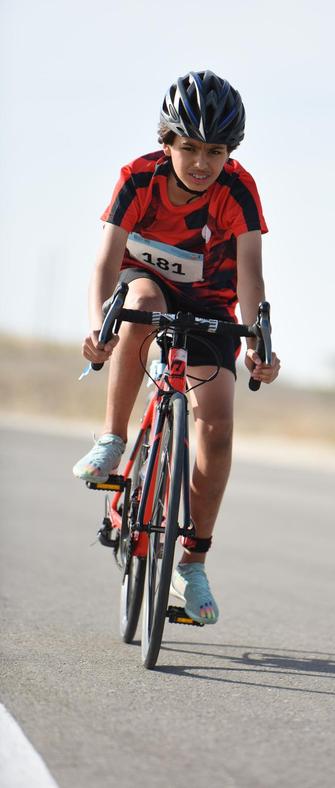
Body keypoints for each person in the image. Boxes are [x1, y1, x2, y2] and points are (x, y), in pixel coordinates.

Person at [73, 70, 280, 625]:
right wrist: (98, 328)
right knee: (142, 299)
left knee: (218, 426)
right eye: (189, 147)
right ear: (166, 143)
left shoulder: (238, 190)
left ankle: (193, 564)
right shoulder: (137, 178)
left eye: (215, 151)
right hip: (142, 285)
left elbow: (251, 274)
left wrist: (258, 341)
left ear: (230, 154)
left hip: (210, 303)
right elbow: (104, 262)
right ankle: (113, 440)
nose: (201, 163)